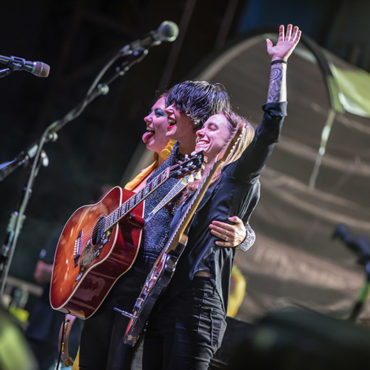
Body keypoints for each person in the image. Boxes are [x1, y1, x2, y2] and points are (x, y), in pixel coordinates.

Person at [141, 24, 301, 370]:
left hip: (198, 305)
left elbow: (272, 126)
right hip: (163, 301)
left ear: (234, 140)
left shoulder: (237, 175)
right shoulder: (188, 176)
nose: (202, 133)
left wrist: (279, 65)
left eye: (212, 128)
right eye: (203, 126)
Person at [77, 83, 250, 370]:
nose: (167, 111)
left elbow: (229, 214)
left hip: (145, 295)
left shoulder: (210, 172)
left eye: (174, 108)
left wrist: (244, 235)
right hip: (113, 283)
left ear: (198, 119)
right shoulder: (167, 161)